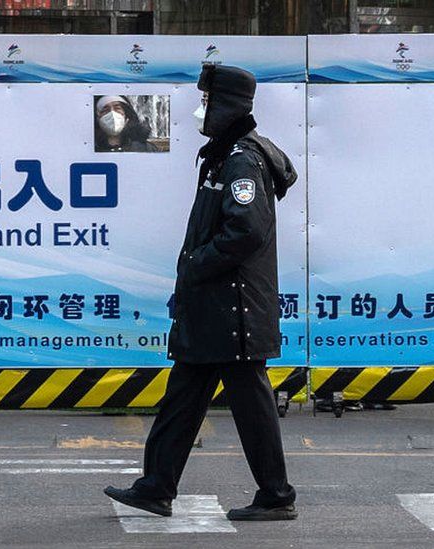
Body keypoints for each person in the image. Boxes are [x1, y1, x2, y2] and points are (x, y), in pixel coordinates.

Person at [104, 64, 298, 521]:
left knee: (250, 404)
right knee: (184, 397)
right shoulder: (224, 155)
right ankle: (156, 487)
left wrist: (196, 264)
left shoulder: (241, 161)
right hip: (215, 307)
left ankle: (275, 495)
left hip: (234, 311)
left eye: (207, 102)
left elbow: (246, 231)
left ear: (226, 106)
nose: (200, 111)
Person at [94, 95, 161, 152]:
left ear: (127, 116)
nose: (112, 114)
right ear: (97, 118)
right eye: (105, 110)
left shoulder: (146, 149)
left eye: (117, 108)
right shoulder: (89, 149)